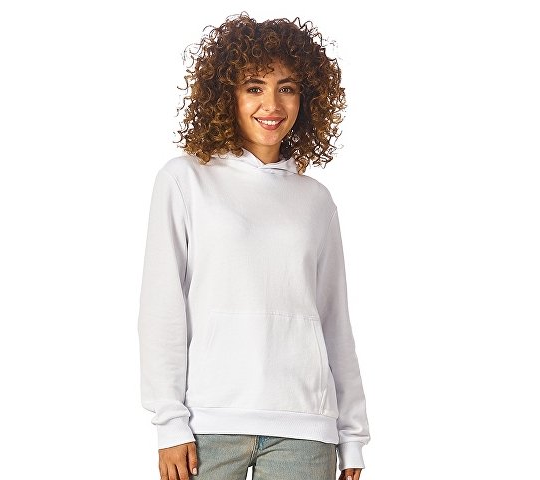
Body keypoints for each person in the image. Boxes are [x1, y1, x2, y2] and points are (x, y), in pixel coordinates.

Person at [137, 12, 371, 480]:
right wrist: (169, 422)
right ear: (227, 95)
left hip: (305, 429)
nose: (272, 104)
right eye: (254, 87)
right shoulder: (185, 180)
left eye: (287, 88)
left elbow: (334, 322)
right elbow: (161, 308)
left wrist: (352, 437)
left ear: (306, 98)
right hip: (208, 424)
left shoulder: (316, 200)